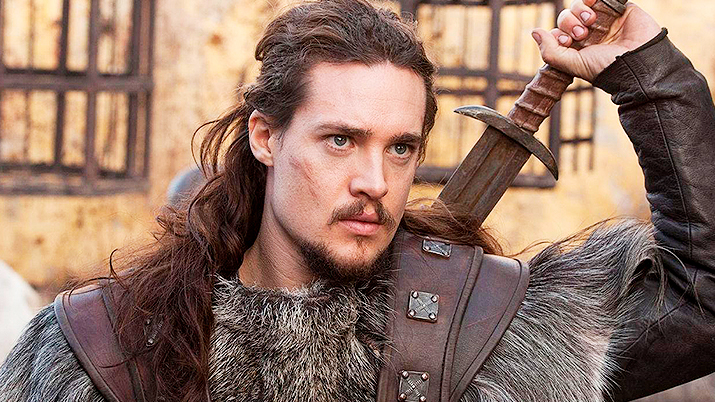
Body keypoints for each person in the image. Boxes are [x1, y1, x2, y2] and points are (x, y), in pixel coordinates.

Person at [1, 0, 714, 401]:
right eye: (340, 140)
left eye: (400, 147)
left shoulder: (486, 332)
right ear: (266, 137)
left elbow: (701, 301)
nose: (375, 179)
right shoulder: (106, 348)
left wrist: (646, 73)